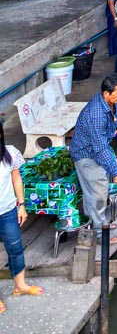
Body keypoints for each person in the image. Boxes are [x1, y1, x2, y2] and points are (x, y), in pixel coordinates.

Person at [69, 74, 117, 244]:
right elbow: (100, 148)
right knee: (97, 193)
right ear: (106, 93)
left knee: (99, 189)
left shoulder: (110, 103)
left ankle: (100, 223)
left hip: (97, 149)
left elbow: (115, 116)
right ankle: (98, 234)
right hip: (86, 154)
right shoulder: (95, 115)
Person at [0, 125, 43, 311]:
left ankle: (20, 285)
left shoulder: (9, 153)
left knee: (15, 248)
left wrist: (22, 205)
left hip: (8, 210)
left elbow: (16, 179)